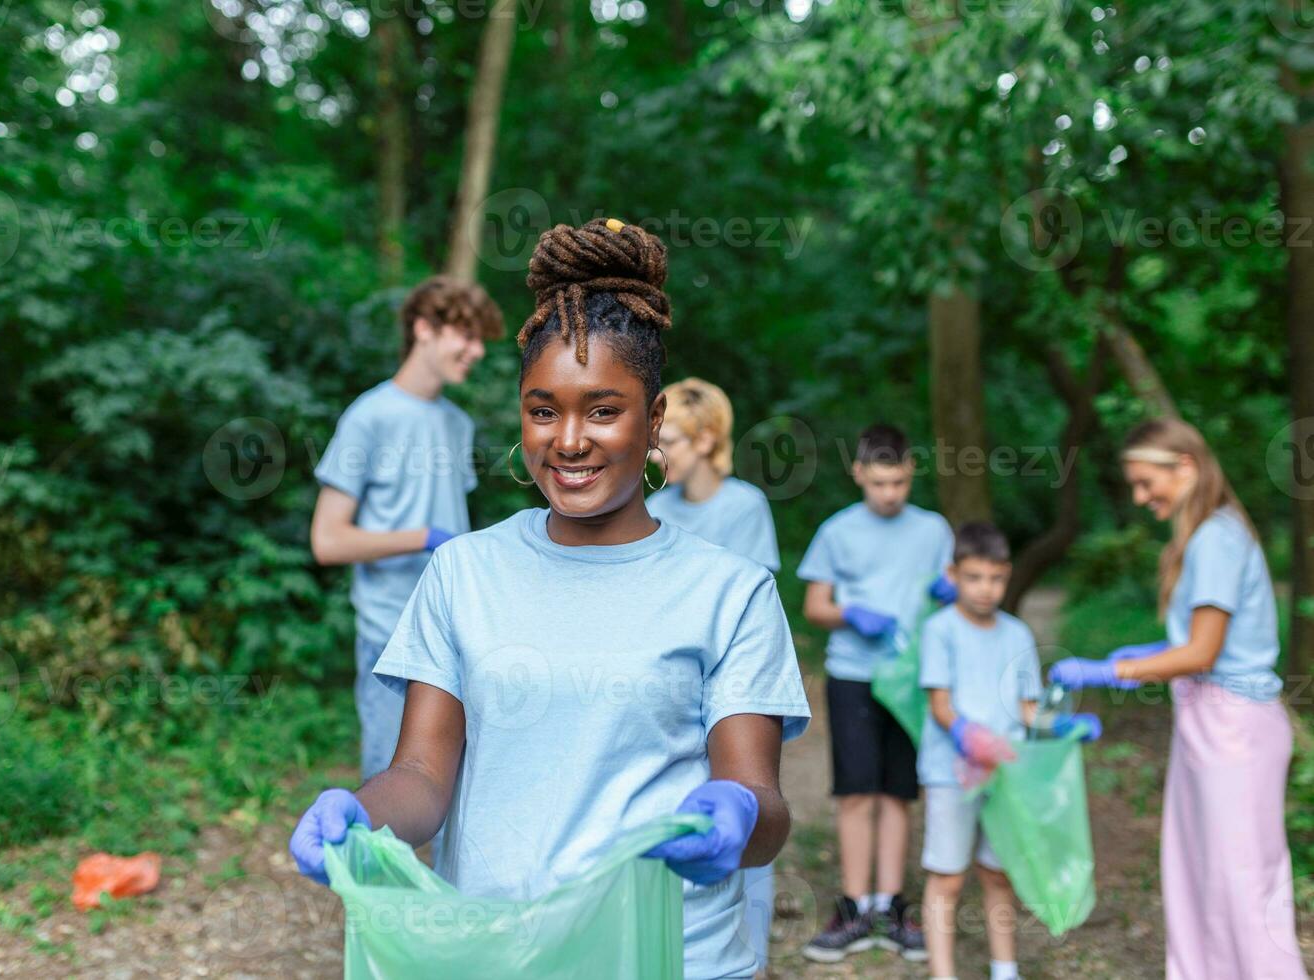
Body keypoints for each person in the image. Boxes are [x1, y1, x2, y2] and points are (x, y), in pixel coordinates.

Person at [290, 218, 812, 980]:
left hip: (677, 958)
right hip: (505, 953)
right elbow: (425, 778)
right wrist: (361, 815)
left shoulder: (730, 592)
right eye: (543, 410)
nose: (568, 440)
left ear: (655, 418)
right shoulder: (463, 573)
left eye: (604, 410)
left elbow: (761, 807)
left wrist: (735, 819)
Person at [1049, 418, 1307, 980]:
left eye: (1146, 483)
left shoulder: (1217, 536)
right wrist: (1137, 655)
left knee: (1242, 881)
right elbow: (1188, 643)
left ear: (1184, 467)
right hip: (1208, 724)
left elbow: (1202, 654)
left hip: (1235, 726)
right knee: (1198, 874)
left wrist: (1112, 668)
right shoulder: (1204, 536)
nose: (1142, 499)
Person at [309, 276, 503, 779]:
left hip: (456, 632)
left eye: (481, 339)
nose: (477, 350)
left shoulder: (457, 423)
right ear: (423, 329)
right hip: (389, 638)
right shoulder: (369, 417)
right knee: (391, 784)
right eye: (467, 335)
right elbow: (327, 540)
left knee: (456, 786)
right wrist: (424, 537)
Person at [799, 424, 954, 964]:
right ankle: (854, 908)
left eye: (899, 483)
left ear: (911, 473)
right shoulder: (837, 531)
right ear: (859, 473)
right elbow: (815, 606)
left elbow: (951, 591)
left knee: (896, 793)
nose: (890, 494)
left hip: (910, 680)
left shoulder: (934, 530)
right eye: (879, 483)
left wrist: (949, 592)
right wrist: (849, 615)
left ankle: (892, 908)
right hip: (854, 675)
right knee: (856, 792)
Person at [917, 522, 1099, 980]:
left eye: (996, 579)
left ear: (1008, 575)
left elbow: (1027, 710)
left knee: (999, 873)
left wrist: (1062, 725)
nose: (986, 589)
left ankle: (1005, 969)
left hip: (1006, 774)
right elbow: (940, 704)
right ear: (954, 574)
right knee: (948, 876)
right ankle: (942, 973)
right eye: (974, 577)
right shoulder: (940, 630)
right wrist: (964, 732)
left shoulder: (1017, 634)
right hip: (951, 772)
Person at [645, 376, 782, 976]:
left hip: (729, 685)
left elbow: (754, 610)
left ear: (704, 440)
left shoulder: (744, 507)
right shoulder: (654, 508)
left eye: (668, 438)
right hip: (666, 687)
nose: (657, 452)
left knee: (741, 800)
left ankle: (746, 958)